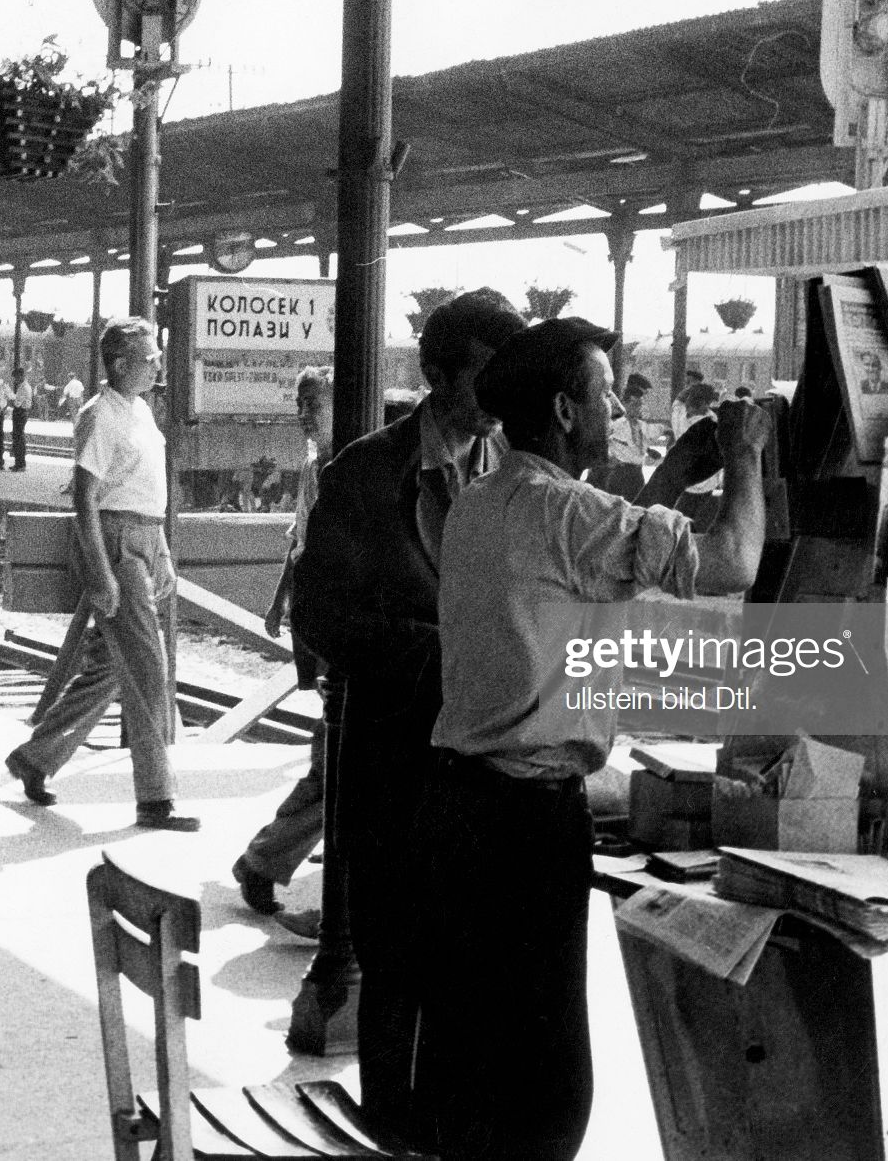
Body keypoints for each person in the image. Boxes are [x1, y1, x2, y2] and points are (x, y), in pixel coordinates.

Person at [420, 317, 767, 1161]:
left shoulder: (484, 502)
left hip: (460, 808)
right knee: (548, 1090)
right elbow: (734, 561)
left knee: (477, 1065)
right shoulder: (566, 512)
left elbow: (596, 556)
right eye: (604, 391)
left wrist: (677, 475)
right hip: (524, 826)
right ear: (566, 411)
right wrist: (747, 453)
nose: (615, 403)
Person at [288, 288, 528, 1148]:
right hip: (393, 758)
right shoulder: (365, 472)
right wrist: (438, 650)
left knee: (465, 975)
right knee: (392, 967)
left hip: (483, 775)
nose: (498, 397)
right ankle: (390, 1130)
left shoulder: (515, 478)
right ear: (436, 375)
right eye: (483, 377)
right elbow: (315, 616)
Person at [4, 319, 195, 831]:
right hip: (117, 543)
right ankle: (156, 799)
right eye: (149, 357)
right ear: (118, 363)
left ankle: (36, 758)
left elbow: (148, 488)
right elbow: (86, 500)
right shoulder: (98, 415)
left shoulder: (140, 410)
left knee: (113, 669)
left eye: (157, 356)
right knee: (150, 670)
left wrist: (165, 554)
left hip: (147, 539)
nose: (158, 364)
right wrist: (101, 573)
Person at [233, 367, 335, 920]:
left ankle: (270, 858)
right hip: (327, 623)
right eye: (300, 405)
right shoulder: (321, 466)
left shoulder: (330, 463)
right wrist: (278, 601)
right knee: (338, 757)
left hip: (325, 618)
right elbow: (303, 544)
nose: (303, 415)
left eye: (310, 405)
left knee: (335, 755)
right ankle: (267, 859)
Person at [9, 366, 35, 472]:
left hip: (20, 413)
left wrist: (10, 400)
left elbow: (17, 403)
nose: (15, 380)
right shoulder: (26, 386)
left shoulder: (23, 387)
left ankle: (20, 464)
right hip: (23, 413)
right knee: (19, 437)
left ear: (20, 376)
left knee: (18, 438)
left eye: (15, 377)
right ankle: (19, 463)